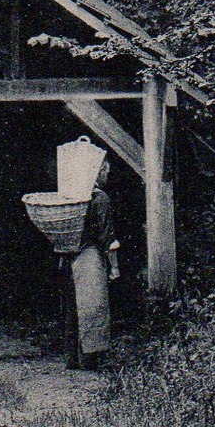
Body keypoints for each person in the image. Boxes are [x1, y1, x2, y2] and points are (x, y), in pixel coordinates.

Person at [59, 158, 123, 370]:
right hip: (90, 257)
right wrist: (114, 267)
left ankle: (71, 358)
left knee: (72, 307)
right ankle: (90, 360)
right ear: (96, 173)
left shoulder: (71, 197)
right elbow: (107, 237)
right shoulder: (100, 199)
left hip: (69, 257)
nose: (107, 176)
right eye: (105, 172)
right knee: (93, 307)